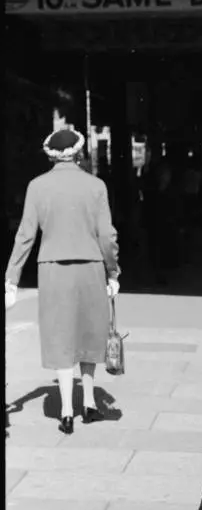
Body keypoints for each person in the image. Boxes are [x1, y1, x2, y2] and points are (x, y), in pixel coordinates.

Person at [5, 127, 120, 434]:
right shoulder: (96, 186)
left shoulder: (37, 186)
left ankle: (67, 410)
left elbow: (25, 235)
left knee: (61, 334)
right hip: (90, 267)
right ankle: (91, 403)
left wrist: (12, 278)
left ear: (51, 154)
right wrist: (113, 270)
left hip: (53, 268)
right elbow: (106, 235)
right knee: (89, 333)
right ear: (79, 153)